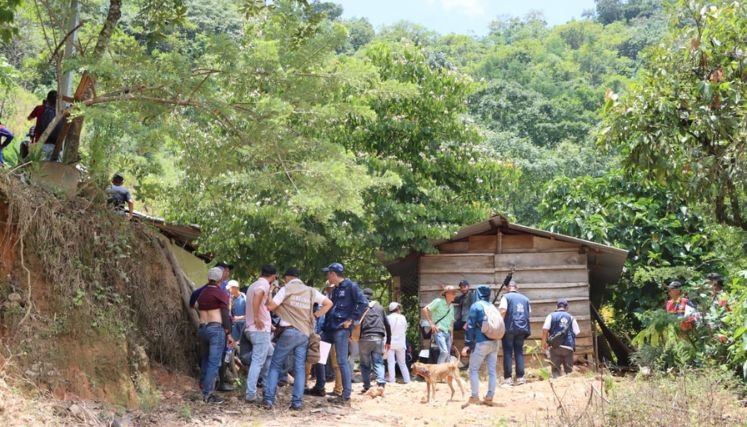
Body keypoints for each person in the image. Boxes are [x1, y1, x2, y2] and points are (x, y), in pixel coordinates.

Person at [263, 267, 332, 410]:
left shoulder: (286, 289)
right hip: (304, 333)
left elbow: (271, 307)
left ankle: (269, 400)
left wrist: (270, 291)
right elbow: (329, 303)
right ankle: (297, 402)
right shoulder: (311, 291)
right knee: (300, 367)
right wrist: (316, 315)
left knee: (275, 365)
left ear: (288, 278)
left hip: (288, 332)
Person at [321, 262, 368, 406]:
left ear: (333, 274)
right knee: (318, 356)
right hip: (329, 328)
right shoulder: (334, 289)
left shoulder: (351, 286)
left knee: (342, 361)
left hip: (341, 329)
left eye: (328, 274)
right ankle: (319, 386)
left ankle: (346, 395)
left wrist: (352, 320)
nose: (327, 276)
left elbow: (363, 303)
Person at [195, 267, 235, 404]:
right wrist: (229, 333)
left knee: (205, 359)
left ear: (208, 278)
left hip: (202, 328)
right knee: (213, 362)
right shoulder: (220, 293)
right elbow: (225, 314)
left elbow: (193, 303)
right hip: (215, 329)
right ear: (219, 279)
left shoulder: (202, 293)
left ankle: (203, 385)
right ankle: (208, 394)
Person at [243, 265, 276, 403]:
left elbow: (267, 305)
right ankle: (251, 393)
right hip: (259, 330)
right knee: (257, 361)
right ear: (273, 276)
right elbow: (258, 295)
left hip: (253, 328)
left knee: (270, 352)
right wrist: (257, 317)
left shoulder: (254, 284)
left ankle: (266, 385)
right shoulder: (263, 285)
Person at [461, 285, 498, 406]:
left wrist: (467, 345)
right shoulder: (492, 306)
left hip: (481, 342)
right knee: (492, 370)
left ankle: (475, 396)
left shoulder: (476, 306)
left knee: (473, 369)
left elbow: (470, 326)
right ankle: (490, 396)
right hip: (494, 342)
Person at [358, 288, 391, 393]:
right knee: (378, 361)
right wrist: (388, 341)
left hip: (364, 338)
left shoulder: (360, 307)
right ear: (372, 296)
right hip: (378, 337)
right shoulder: (380, 308)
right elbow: (387, 325)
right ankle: (381, 383)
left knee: (364, 363)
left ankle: (367, 386)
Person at [499, 280, 531, 386]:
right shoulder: (525, 299)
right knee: (519, 352)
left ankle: (508, 379)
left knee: (508, 352)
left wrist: (499, 325)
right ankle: (520, 378)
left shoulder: (506, 297)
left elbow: (503, 311)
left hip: (509, 328)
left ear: (507, 288)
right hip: (522, 328)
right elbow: (528, 312)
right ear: (517, 287)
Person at [542, 299, 580, 378]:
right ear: (566, 307)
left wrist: (544, 344)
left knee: (555, 371)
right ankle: (568, 387)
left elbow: (545, 330)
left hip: (555, 346)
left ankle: (557, 386)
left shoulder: (551, 316)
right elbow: (577, 332)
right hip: (568, 347)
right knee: (569, 371)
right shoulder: (571, 317)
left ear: (557, 306)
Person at [422, 285, 457, 364]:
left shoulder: (451, 306)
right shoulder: (438, 301)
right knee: (444, 352)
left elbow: (451, 322)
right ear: (447, 293)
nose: (455, 295)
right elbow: (425, 309)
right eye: (453, 293)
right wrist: (431, 324)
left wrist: (452, 336)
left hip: (448, 333)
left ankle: (446, 375)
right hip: (439, 331)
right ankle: (438, 373)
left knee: (447, 356)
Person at [27, 90, 63, 159]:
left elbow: (29, 118)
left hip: (41, 143)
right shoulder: (61, 112)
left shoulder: (39, 108)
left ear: (47, 98)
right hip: (57, 146)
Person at [386, 302, 410, 384]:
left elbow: (385, 331)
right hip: (401, 342)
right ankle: (407, 380)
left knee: (391, 362)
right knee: (402, 363)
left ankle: (392, 380)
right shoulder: (403, 317)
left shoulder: (387, 318)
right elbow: (405, 329)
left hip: (390, 343)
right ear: (397, 309)